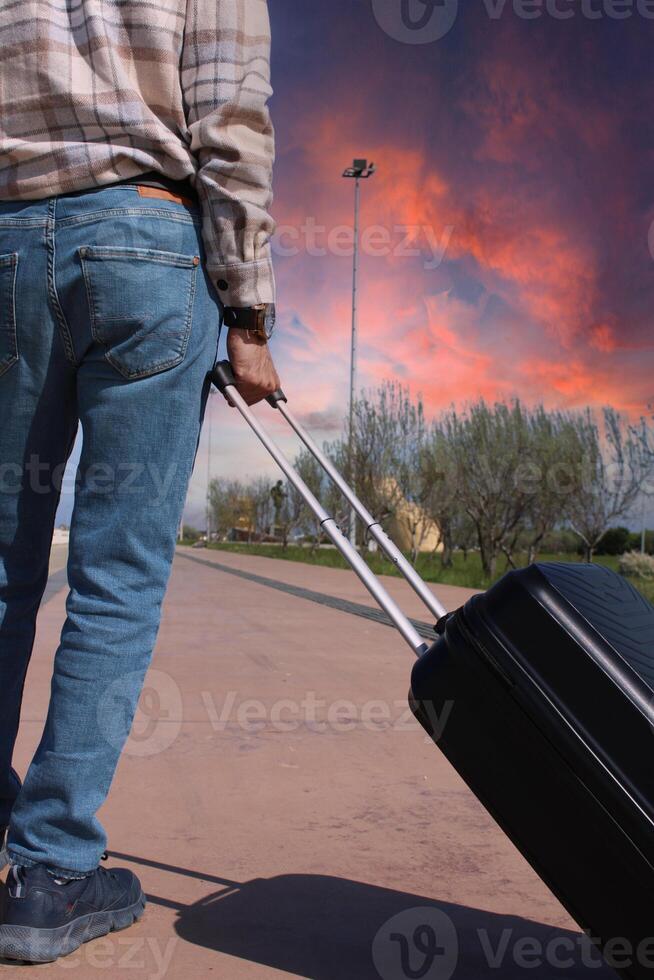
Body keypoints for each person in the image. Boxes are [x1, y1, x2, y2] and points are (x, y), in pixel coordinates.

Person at [0, 0, 279, 962]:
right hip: (148, 246)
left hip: (4, 244)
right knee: (116, 578)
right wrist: (247, 313)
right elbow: (230, 123)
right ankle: (50, 870)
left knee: (3, 567)